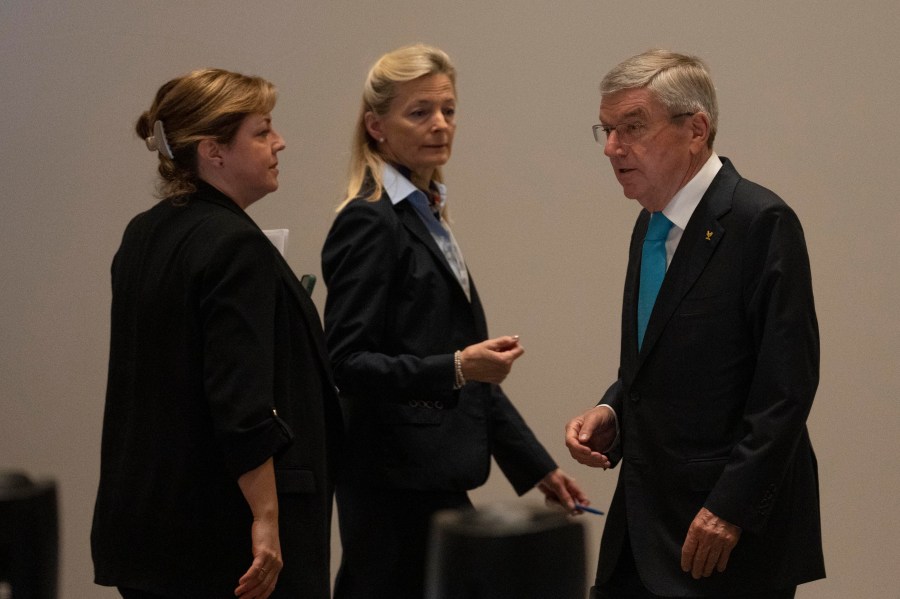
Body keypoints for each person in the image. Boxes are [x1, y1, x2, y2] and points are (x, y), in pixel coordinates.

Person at [321, 44, 589, 599]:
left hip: (427, 474)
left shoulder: (427, 211)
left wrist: (537, 468)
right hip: (390, 480)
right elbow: (346, 363)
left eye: (448, 110)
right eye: (419, 112)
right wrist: (458, 366)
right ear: (376, 126)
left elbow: (470, 368)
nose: (441, 124)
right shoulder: (370, 222)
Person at [564, 49, 825, 598]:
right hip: (645, 520)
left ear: (696, 129)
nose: (613, 147)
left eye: (632, 127)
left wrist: (728, 508)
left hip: (722, 536)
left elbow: (785, 389)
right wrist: (613, 409)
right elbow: (656, 362)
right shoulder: (650, 225)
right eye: (607, 130)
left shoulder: (760, 222)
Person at [91, 68, 342, 599]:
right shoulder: (235, 245)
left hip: (150, 531)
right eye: (262, 131)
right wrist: (267, 521)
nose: (280, 143)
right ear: (214, 151)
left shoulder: (144, 233)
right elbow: (240, 400)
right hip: (224, 538)